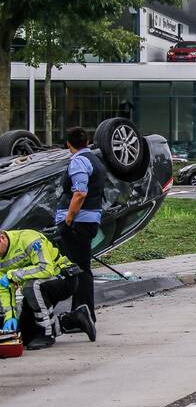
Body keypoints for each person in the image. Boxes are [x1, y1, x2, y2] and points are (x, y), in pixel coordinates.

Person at [0, 229, 95, 350]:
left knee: (31, 286)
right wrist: (10, 316)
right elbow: (4, 289)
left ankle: (47, 334)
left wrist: (12, 275)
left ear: (2, 238)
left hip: (64, 279)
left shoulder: (29, 239)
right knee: (26, 336)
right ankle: (75, 319)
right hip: (39, 290)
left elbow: (45, 268)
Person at [54, 126, 106, 336]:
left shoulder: (78, 161)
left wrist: (68, 218)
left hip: (77, 223)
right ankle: (82, 312)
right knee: (82, 267)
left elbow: (80, 193)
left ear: (68, 143)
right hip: (90, 219)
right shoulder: (95, 160)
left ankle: (81, 313)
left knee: (78, 269)